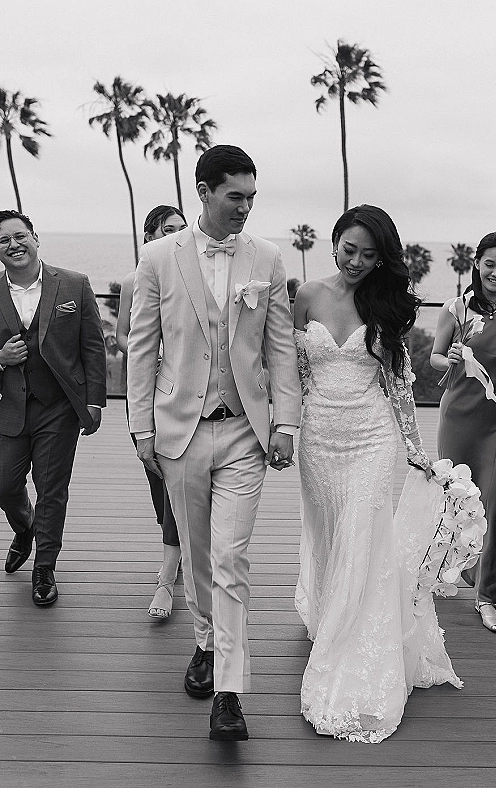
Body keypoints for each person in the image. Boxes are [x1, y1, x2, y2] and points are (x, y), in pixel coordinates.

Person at [127, 145, 301, 741]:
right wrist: (141, 425)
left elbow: (279, 346)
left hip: (245, 432)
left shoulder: (268, 258)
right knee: (199, 555)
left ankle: (229, 690)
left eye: (253, 197)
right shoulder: (156, 259)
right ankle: (205, 637)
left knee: (230, 559)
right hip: (181, 429)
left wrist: (285, 421)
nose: (246, 209)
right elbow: (143, 345)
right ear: (203, 191)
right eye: (236, 197)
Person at [293, 204, 461, 743]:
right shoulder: (307, 296)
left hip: (372, 437)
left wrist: (414, 447)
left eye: (369, 254)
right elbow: (295, 373)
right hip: (318, 438)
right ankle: (327, 617)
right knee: (330, 536)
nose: (357, 262)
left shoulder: (386, 305)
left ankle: (353, 649)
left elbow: (398, 382)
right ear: (334, 242)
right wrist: (281, 430)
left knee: (363, 538)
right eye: (349, 249)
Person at [0, 210, 106, 606]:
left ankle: (44, 566)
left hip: (59, 406)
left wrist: (94, 400)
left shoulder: (74, 285)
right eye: (4, 240)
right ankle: (24, 525)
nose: (14, 245)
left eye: (20, 236)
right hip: (8, 406)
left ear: (35, 238)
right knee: (4, 483)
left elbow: (93, 346)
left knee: (52, 489)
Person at [431, 231, 496, 633]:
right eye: (489, 264)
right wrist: (450, 356)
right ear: (477, 263)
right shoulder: (454, 309)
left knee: (495, 506)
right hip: (458, 419)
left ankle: (487, 597)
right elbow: (436, 358)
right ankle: (462, 564)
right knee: (456, 502)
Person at [117, 205, 187, 619]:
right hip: (147, 392)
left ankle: (167, 572)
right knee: (157, 480)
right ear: (149, 238)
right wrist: (153, 353)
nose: (176, 235)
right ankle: (176, 549)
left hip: (184, 397)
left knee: (176, 482)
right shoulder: (133, 280)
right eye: (167, 230)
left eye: (181, 229)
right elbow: (123, 336)